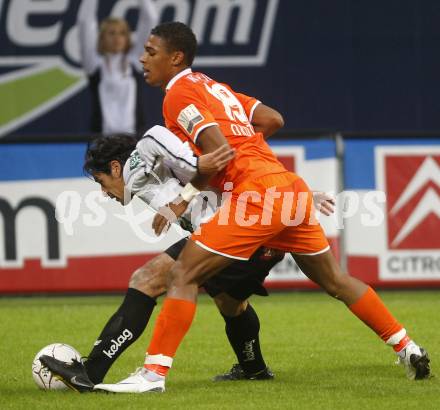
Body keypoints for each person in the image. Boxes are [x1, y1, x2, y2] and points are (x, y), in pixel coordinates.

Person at [91, 22, 430, 393]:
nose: (142, 58)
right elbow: (272, 120)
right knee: (336, 280)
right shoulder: (217, 89)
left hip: (255, 196)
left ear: (176, 58)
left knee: (182, 275)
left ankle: (152, 375)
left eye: (151, 52)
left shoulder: (178, 94)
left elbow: (218, 155)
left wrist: (183, 199)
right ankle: (407, 347)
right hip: (289, 187)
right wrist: (245, 148)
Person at [41, 125, 333, 392]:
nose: (104, 192)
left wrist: (189, 170)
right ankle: (254, 369)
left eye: (101, 181)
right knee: (230, 301)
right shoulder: (148, 176)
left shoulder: (137, 165)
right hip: (255, 232)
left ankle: (92, 372)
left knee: (148, 278)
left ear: (116, 167)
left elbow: (157, 137)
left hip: (236, 230)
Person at [77, 0, 158, 134]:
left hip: (134, 140)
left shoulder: (136, 62)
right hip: (103, 141)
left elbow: (150, 19)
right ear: (102, 38)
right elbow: (85, 23)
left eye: (122, 33)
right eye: (111, 33)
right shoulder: (94, 64)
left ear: (127, 38)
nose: (117, 38)